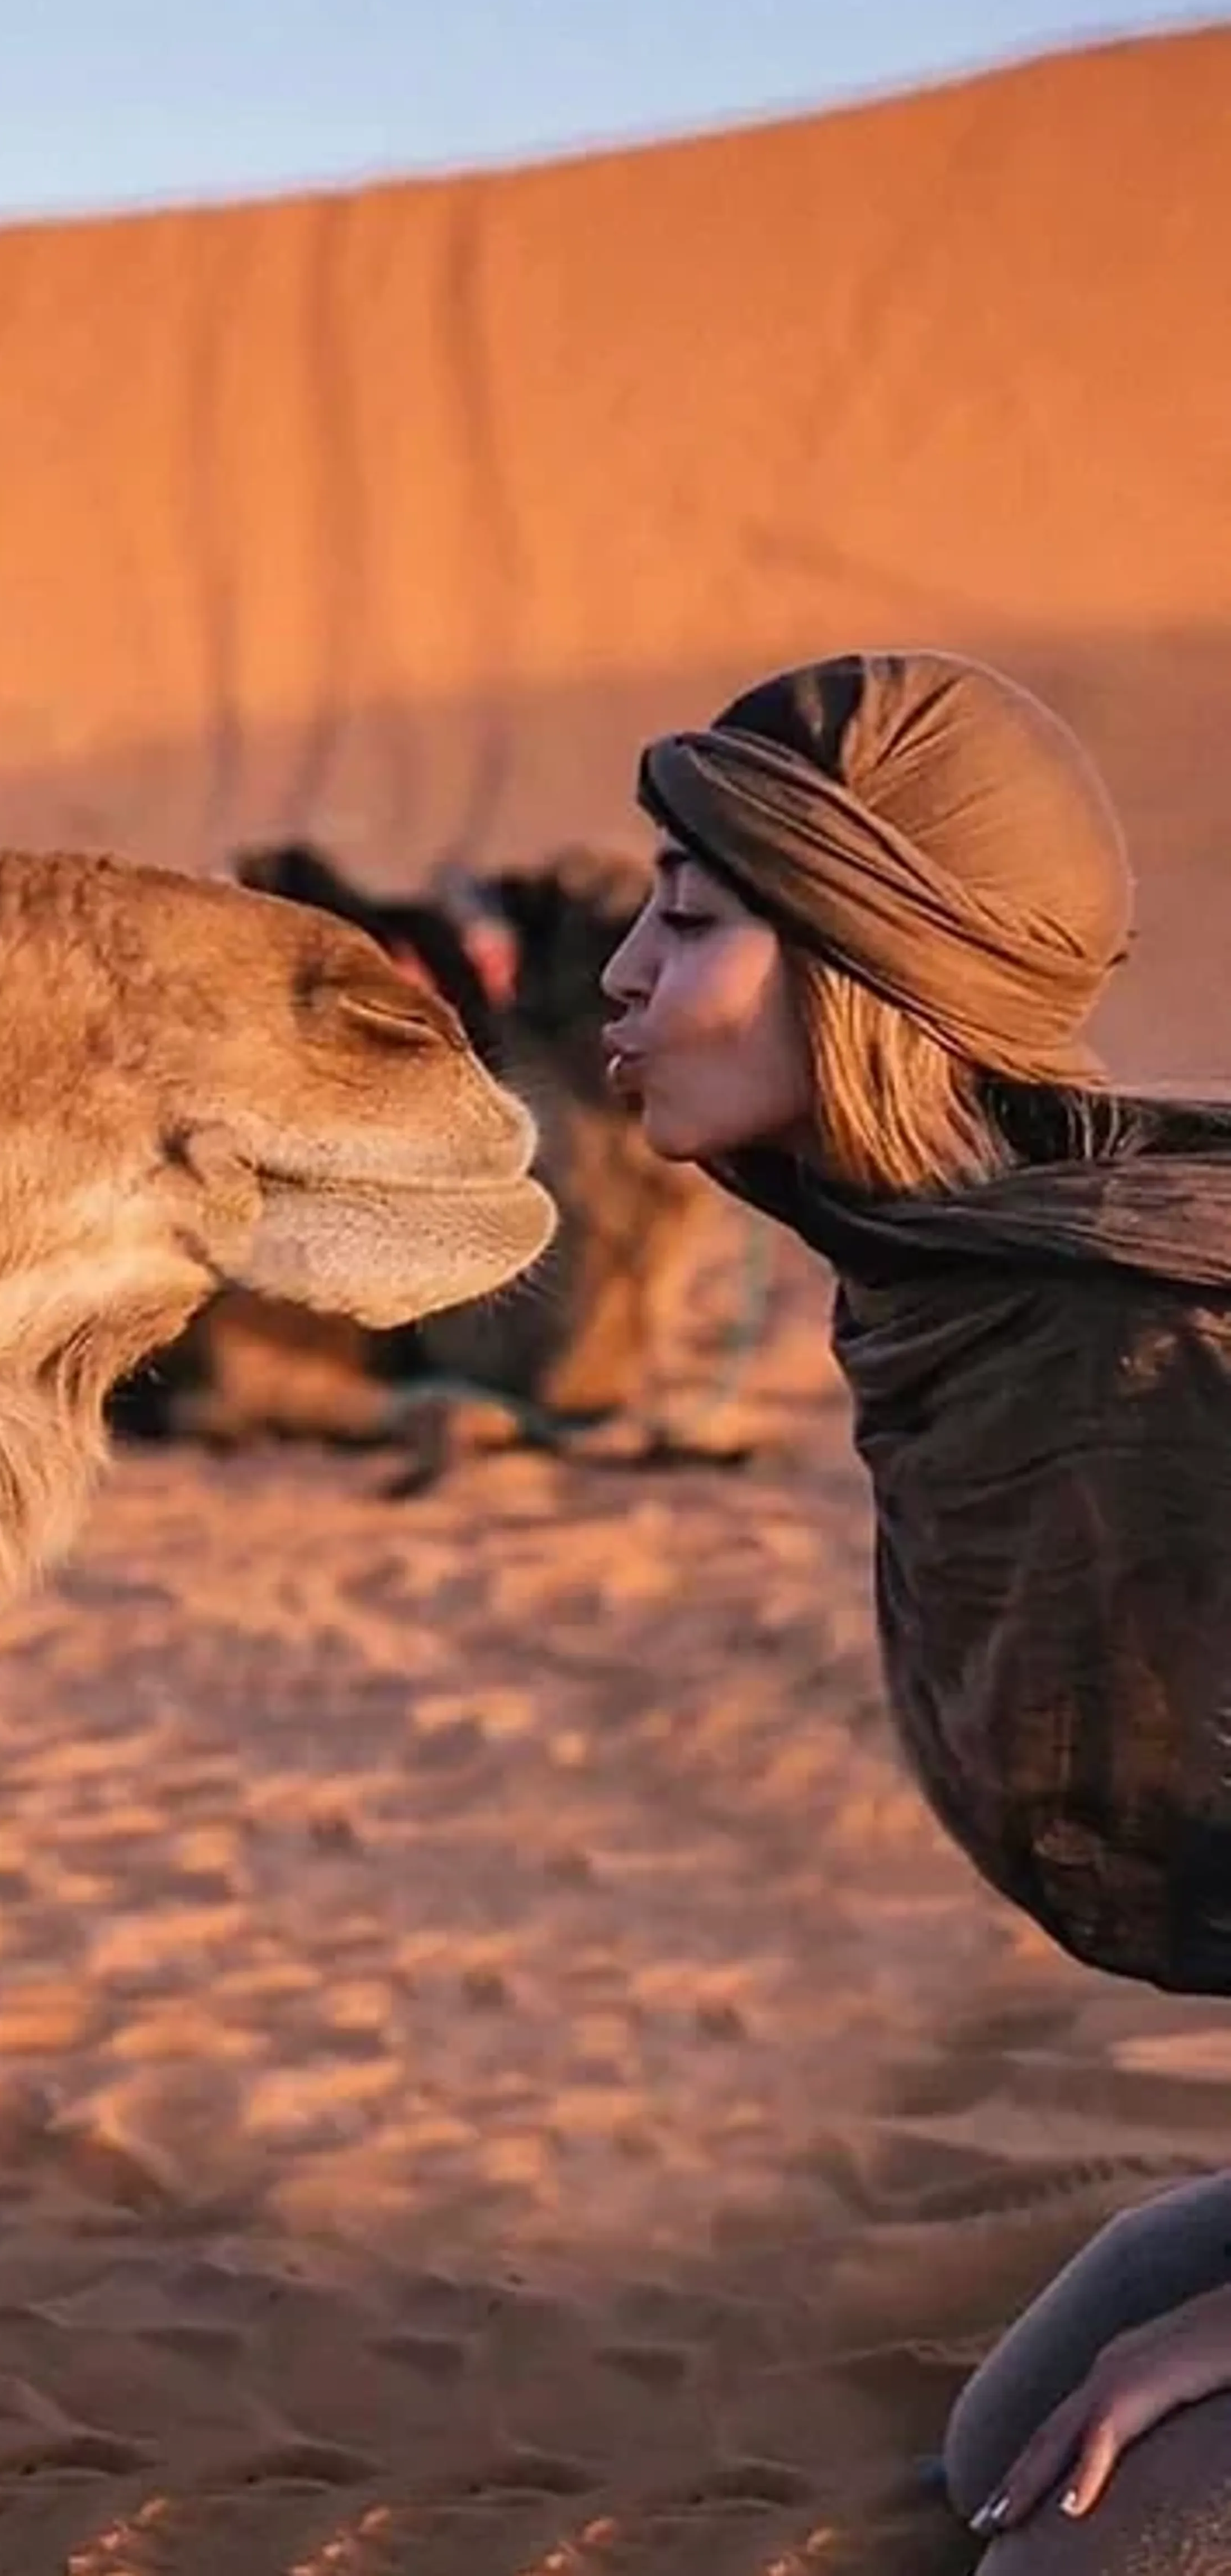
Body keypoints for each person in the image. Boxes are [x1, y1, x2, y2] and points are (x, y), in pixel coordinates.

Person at [598, 647, 1231, 2552]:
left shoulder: (1154, 1352)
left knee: (1107, 2534)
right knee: (1013, 2440)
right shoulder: (969, 1286)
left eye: (693, 918)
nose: (625, 971)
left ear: (873, 968)